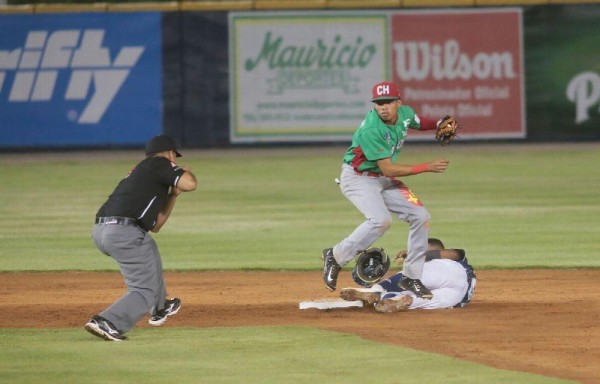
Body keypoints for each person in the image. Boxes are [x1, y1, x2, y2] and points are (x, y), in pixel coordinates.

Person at [322, 81, 451, 299]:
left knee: (421, 216)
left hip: (383, 178)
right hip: (358, 178)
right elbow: (388, 167)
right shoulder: (372, 129)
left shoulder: (405, 113)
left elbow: (419, 122)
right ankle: (335, 257)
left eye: (388, 102)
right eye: (379, 103)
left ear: (398, 103)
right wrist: (426, 167)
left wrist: (438, 122)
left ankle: (411, 277)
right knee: (381, 220)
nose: (383, 107)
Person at [84, 135, 197, 341]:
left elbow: (156, 225)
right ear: (171, 154)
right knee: (144, 290)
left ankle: (160, 305)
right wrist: (186, 172)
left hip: (105, 231)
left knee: (148, 245)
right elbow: (190, 183)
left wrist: (172, 195)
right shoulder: (158, 164)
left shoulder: (148, 175)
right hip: (122, 233)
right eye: (175, 158)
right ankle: (109, 321)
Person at [340, 238, 477, 313]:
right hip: (457, 297)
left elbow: (454, 254)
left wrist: (418, 256)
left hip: (452, 273)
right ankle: (392, 300)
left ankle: (377, 290)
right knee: (422, 300)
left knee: (409, 277)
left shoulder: (449, 260)